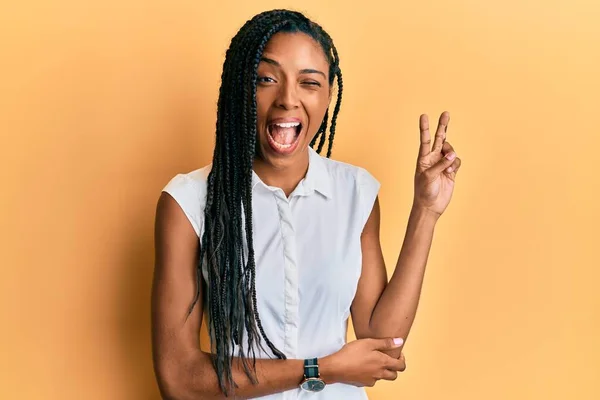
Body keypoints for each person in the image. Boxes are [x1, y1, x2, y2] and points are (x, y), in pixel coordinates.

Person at [151, 8, 462, 400]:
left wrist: (426, 212)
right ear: (239, 89)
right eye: (266, 79)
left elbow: (383, 345)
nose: (287, 99)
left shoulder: (355, 192)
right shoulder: (188, 202)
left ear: (328, 95)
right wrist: (320, 369)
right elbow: (178, 378)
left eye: (309, 83)